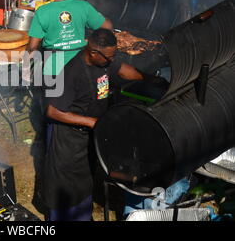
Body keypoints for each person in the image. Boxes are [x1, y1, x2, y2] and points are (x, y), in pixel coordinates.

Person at [42, 29, 167, 221]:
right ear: (93, 52)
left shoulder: (105, 60)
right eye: (109, 56)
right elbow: (52, 110)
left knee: (86, 179)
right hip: (69, 138)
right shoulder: (70, 72)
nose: (112, 60)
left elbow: (123, 70)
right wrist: (93, 122)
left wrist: (149, 78)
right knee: (66, 183)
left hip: (90, 133)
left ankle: (82, 217)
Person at [24, 0, 113, 81]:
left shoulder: (42, 11)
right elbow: (107, 26)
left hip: (53, 71)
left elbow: (32, 47)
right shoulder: (84, 7)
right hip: (80, 68)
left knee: (54, 98)